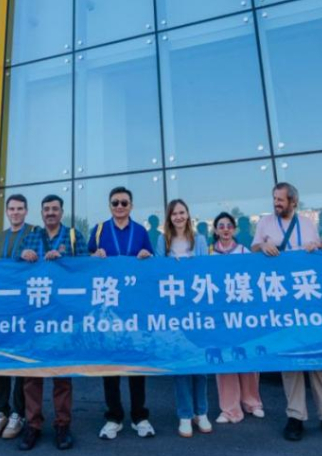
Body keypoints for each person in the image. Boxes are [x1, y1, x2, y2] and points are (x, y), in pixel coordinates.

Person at [252, 182, 322, 442]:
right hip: (280, 300)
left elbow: (319, 251)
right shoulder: (265, 223)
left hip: (307, 299)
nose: (276, 203)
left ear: (293, 202)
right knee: (291, 357)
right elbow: (253, 250)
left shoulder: (308, 223)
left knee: (319, 354)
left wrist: (314, 247)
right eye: (274, 198)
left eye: (280, 199)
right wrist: (262, 247)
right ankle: (295, 415)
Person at [17, 194, 87, 451]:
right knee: (32, 375)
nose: (50, 213)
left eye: (55, 209)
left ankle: (62, 425)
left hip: (63, 316)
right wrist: (23, 255)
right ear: (41, 212)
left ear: (62, 211)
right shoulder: (32, 236)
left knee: (62, 374)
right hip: (35, 316)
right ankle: (33, 425)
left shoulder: (73, 236)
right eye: (46, 209)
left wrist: (65, 261)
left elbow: (85, 269)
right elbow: (16, 267)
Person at [87, 186, 155, 440]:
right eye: (115, 202)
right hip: (108, 307)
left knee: (136, 364)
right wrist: (94, 255)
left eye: (124, 203)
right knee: (111, 365)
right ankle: (113, 417)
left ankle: (140, 416)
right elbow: (85, 262)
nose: (119, 206)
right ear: (109, 206)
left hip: (134, 307)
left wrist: (147, 255)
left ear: (131, 206)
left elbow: (152, 261)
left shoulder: (140, 231)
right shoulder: (100, 230)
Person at [153, 199, 211, 438]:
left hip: (197, 310)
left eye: (182, 212)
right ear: (169, 217)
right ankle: (185, 415)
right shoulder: (162, 240)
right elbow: (157, 271)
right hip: (174, 312)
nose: (178, 216)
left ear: (188, 215)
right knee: (181, 364)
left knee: (201, 364)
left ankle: (202, 412)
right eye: (174, 213)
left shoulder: (199, 240)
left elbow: (206, 271)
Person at [0, 194, 35, 440]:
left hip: (25, 307)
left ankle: (18, 413)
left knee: (20, 361)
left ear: (26, 211)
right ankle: (0, 411)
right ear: (6, 211)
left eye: (20, 208)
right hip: (0, 308)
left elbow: (46, 261)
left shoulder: (35, 233)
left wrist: (34, 256)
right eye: (11, 208)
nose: (15, 212)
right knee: (0, 361)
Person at [208, 212, 262, 425]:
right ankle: (230, 409)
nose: (225, 229)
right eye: (221, 226)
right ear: (215, 230)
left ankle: (252, 402)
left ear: (235, 229)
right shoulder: (209, 255)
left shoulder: (244, 252)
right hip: (221, 315)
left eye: (229, 225)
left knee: (247, 356)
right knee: (225, 360)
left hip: (243, 314)